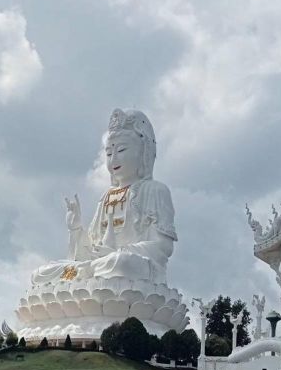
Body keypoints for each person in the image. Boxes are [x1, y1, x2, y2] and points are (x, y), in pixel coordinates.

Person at [31, 107, 177, 286]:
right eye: (109, 153)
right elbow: (89, 251)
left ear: (143, 152)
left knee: (121, 264)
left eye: (121, 150)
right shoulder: (106, 196)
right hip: (96, 266)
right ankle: (84, 280)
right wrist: (76, 229)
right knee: (41, 274)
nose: (114, 158)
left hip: (130, 268)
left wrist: (118, 252)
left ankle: (91, 278)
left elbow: (163, 247)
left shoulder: (154, 191)